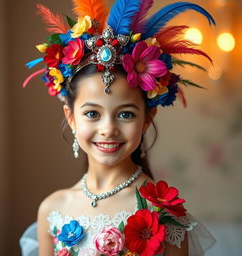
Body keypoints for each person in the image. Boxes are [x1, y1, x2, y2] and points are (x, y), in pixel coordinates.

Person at [20, 0, 217, 255]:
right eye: (92, 113)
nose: (108, 129)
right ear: (70, 117)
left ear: (147, 118)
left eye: (125, 114)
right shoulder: (52, 209)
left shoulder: (164, 215)